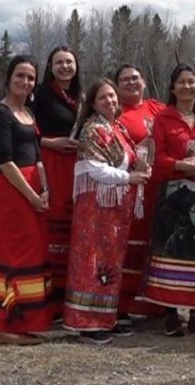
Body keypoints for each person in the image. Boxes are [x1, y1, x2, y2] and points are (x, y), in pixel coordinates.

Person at [63, 78, 151, 344]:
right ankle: (86, 322)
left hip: (113, 208)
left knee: (110, 262)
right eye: (103, 98)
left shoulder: (118, 128)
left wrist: (142, 170)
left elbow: (128, 161)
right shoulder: (92, 130)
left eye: (112, 96)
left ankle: (105, 317)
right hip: (96, 208)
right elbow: (94, 168)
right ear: (92, 104)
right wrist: (129, 179)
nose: (110, 101)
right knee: (93, 260)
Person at [140, 64, 195, 337]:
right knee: (170, 250)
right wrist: (180, 165)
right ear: (173, 87)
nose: (187, 87)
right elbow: (157, 155)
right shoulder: (163, 118)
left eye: (192, 82)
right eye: (181, 82)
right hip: (172, 191)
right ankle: (171, 314)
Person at [0, 55, 51, 345]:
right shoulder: (0, 112)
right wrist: (32, 196)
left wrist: (45, 189)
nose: (25, 82)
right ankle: (4, 326)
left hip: (33, 188)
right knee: (13, 255)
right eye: (20, 75)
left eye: (31, 77)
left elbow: (38, 155)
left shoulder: (29, 113)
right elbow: (5, 162)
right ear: (8, 78)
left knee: (32, 253)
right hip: (13, 190)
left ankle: (25, 322)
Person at [114, 64, 166, 321]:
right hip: (132, 186)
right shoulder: (115, 113)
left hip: (159, 186)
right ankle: (125, 303)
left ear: (144, 81)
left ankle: (155, 303)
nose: (131, 83)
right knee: (130, 244)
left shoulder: (157, 108)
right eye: (124, 80)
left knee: (155, 243)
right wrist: (138, 147)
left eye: (135, 78)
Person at [32, 46, 82, 315]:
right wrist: (51, 142)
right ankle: (46, 296)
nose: (65, 66)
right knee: (52, 223)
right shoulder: (40, 94)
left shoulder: (80, 97)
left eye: (69, 62)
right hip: (50, 163)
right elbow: (25, 130)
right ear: (50, 66)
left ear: (76, 66)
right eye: (59, 62)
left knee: (73, 225)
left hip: (76, 166)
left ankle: (68, 296)